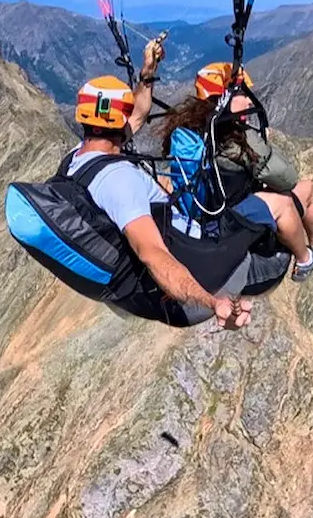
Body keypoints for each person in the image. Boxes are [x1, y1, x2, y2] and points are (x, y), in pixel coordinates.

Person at [67, 39, 288, 328]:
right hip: (196, 278)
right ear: (119, 122)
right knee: (279, 224)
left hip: (174, 255)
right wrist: (212, 302)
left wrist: (148, 73)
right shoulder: (120, 181)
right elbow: (152, 254)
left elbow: (138, 115)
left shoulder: (78, 160)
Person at [157, 62, 313, 282]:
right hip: (224, 223)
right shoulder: (236, 138)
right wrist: (261, 145)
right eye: (242, 94)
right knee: (297, 194)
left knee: (287, 191)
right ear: (225, 98)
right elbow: (287, 178)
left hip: (207, 213)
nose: (249, 101)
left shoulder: (191, 127)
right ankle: (308, 256)